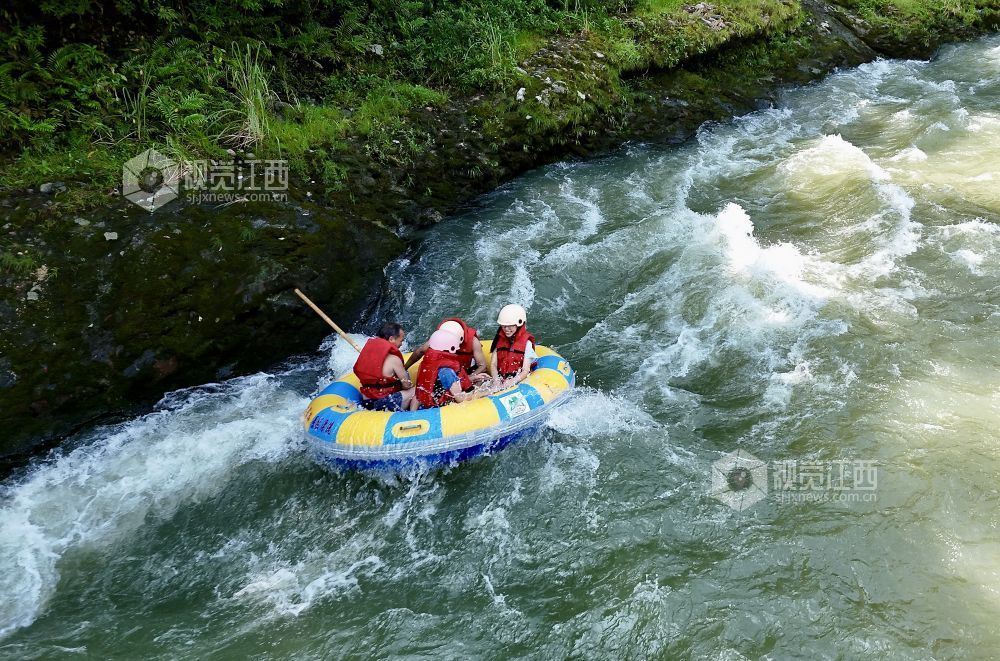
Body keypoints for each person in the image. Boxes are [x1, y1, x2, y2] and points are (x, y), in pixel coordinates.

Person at [353, 322, 418, 411]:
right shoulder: (394, 359)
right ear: (391, 339)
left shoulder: (366, 355)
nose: (401, 344)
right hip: (385, 404)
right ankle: (412, 415)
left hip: (367, 403)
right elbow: (406, 385)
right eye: (401, 340)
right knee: (419, 389)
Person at [404, 317, 490, 383]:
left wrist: (469, 377)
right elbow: (420, 351)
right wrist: (405, 367)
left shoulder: (473, 342)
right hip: (446, 371)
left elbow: (482, 366)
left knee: (482, 380)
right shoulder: (441, 337)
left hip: (464, 372)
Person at [415, 329, 481, 408]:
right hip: (440, 409)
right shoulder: (446, 371)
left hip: (427, 405)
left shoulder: (429, 363)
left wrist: (473, 378)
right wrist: (484, 392)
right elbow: (460, 399)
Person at [490, 304, 536, 386]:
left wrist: (512, 382)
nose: (506, 329)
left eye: (510, 326)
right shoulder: (499, 339)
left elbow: (525, 370)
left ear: (519, 324)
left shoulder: (527, 344)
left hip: (518, 382)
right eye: (504, 326)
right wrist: (496, 380)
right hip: (501, 379)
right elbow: (493, 364)